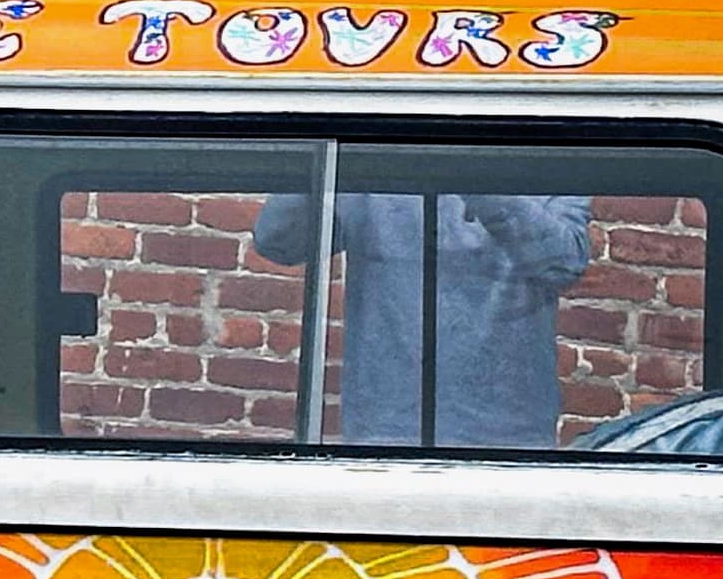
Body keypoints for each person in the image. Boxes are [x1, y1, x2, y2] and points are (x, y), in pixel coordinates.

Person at [253, 183, 593, 447]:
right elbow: (278, 240)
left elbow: (564, 262)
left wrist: (482, 181)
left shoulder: (544, 138)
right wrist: (335, 126)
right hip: (385, 431)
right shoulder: (376, 142)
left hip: (510, 434)